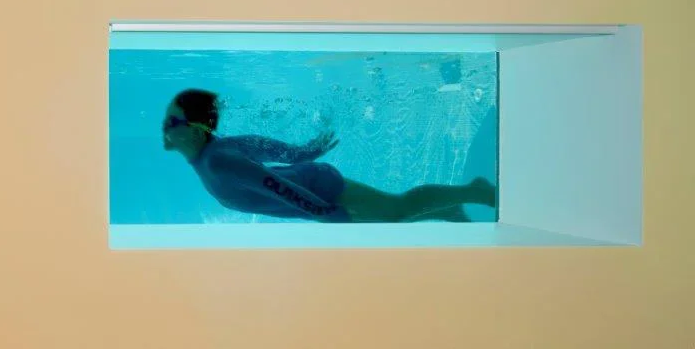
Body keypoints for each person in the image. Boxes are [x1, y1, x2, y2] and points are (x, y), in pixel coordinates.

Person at [162, 88, 496, 223]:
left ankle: (475, 192)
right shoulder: (218, 150)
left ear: (194, 130)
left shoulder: (218, 160)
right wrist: (302, 152)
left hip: (317, 189)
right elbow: (266, 148)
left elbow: (275, 184)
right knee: (391, 219)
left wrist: (324, 211)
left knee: (396, 211)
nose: (166, 125)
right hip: (313, 183)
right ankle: (448, 209)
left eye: (172, 120)